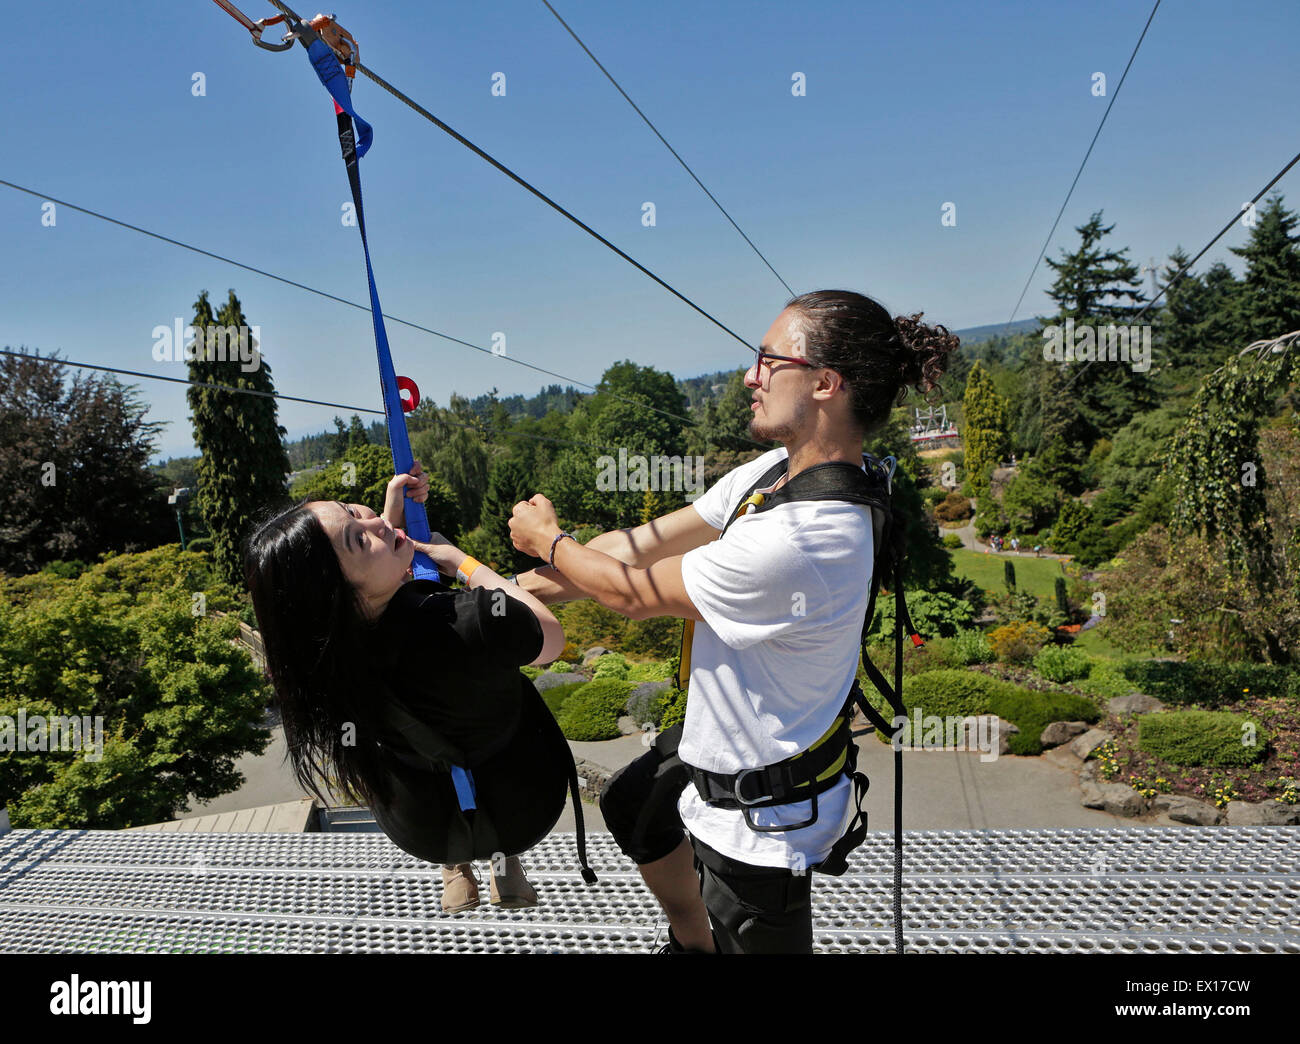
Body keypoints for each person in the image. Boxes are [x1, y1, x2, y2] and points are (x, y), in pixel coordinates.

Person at [508, 290, 957, 953]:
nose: (750, 376)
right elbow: (640, 544)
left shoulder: (807, 537)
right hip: (716, 754)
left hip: (764, 825)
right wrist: (500, 589)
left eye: (768, 359)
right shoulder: (778, 473)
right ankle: (694, 943)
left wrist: (548, 540)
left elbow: (632, 592)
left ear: (826, 383)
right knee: (633, 806)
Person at [243, 461, 569, 914]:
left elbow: (366, 578)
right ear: (342, 594)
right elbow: (548, 637)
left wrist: (389, 514)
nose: (374, 520)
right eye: (360, 535)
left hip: (422, 826)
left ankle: (455, 868)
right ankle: (505, 862)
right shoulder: (465, 619)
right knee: (485, 734)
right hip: (525, 807)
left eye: (352, 510)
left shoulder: (317, 665)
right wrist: (463, 563)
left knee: (431, 754)